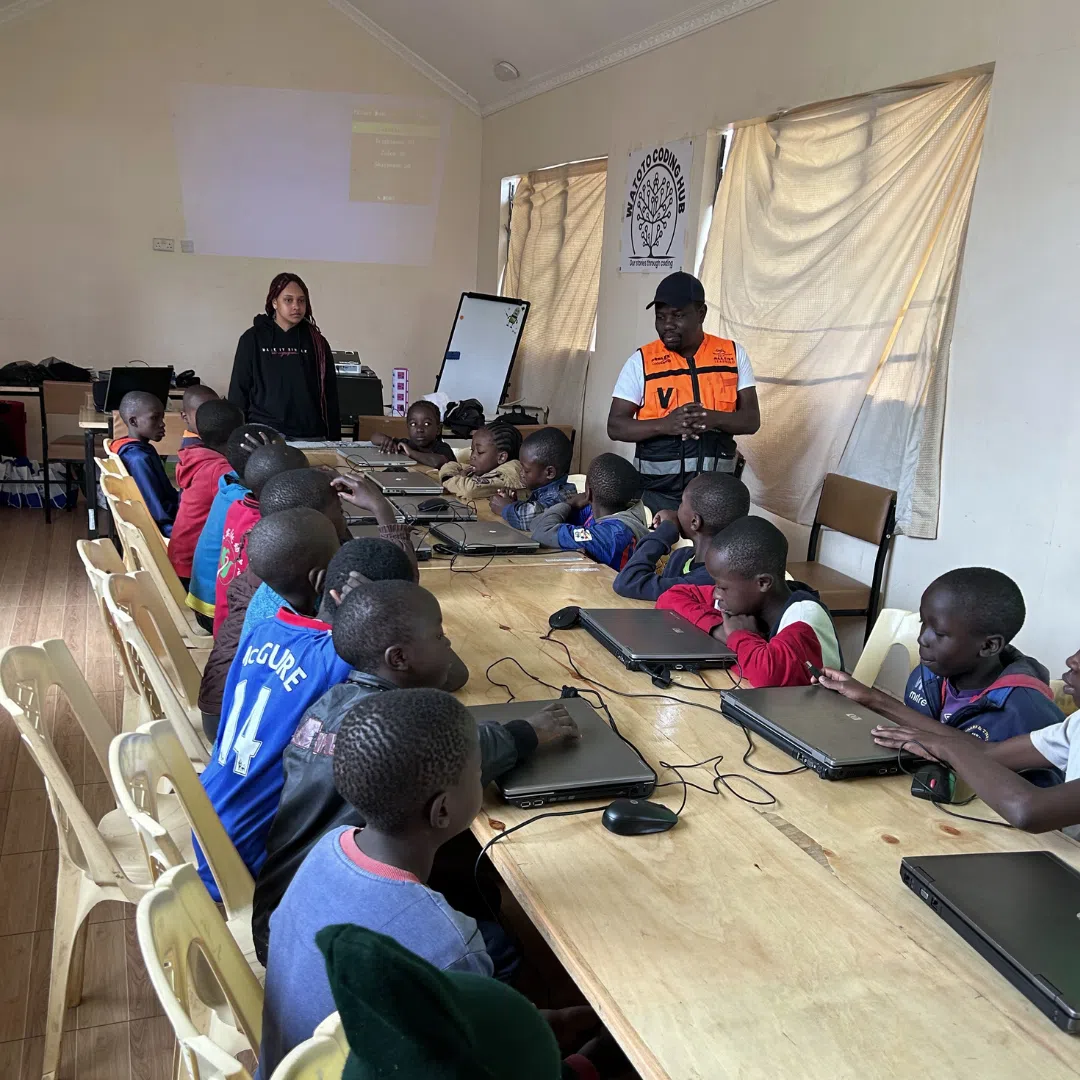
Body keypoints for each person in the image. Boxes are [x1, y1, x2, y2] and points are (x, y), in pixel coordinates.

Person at [251, 578, 578, 964]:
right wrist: (528, 732)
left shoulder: (334, 700)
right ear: (399, 658)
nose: (449, 644)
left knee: (465, 866)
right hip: (314, 943)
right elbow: (465, 752)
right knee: (499, 949)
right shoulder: (403, 731)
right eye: (439, 636)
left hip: (286, 906)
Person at [257, 688, 491, 1076]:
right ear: (443, 809)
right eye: (479, 774)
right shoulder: (452, 946)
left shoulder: (326, 847)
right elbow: (471, 1062)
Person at [196, 509, 351, 896]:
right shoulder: (333, 656)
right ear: (321, 578)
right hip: (248, 862)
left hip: (208, 824)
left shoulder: (263, 627)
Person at [816, 567, 1064, 749]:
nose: (923, 638)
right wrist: (865, 700)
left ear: (989, 646)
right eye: (923, 623)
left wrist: (876, 700)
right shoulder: (928, 677)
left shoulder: (1026, 711)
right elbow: (915, 734)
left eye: (940, 633)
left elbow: (1042, 796)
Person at [870, 648, 1080, 836]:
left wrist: (948, 746)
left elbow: (1029, 811)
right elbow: (991, 752)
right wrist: (873, 700)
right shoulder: (1076, 725)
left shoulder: (1027, 706)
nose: (1072, 660)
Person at [607, 272, 760, 512]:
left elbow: (751, 420)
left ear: (701, 314)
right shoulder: (641, 361)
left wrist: (712, 418)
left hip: (716, 497)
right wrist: (665, 425)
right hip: (656, 496)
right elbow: (615, 426)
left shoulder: (733, 355)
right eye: (660, 317)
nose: (667, 324)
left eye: (677, 316)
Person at [658, 516, 841, 686]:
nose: (716, 595)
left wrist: (738, 635)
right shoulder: (743, 599)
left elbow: (767, 675)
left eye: (722, 587)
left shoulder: (804, 617)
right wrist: (719, 630)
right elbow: (669, 598)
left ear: (762, 583)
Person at [186, 423, 279, 630]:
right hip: (219, 614)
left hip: (205, 600)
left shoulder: (230, 488)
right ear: (265, 466)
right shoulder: (253, 510)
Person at [228, 272, 341, 440]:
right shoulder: (252, 339)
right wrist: (236, 436)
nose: (296, 306)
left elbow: (330, 395)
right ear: (274, 302)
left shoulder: (317, 342)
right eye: (288, 300)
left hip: (310, 435)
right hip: (263, 435)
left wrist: (334, 440)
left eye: (301, 301)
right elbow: (239, 391)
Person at [212, 441, 308, 634]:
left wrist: (267, 458)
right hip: (243, 638)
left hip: (225, 625)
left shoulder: (237, 507)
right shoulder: (272, 533)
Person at [613, 472, 750, 601]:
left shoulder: (708, 581)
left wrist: (665, 532)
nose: (676, 509)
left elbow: (628, 582)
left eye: (682, 503)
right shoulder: (681, 556)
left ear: (695, 522)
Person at [168, 399, 244, 587]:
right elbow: (247, 501)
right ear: (238, 434)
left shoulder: (197, 456)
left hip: (181, 557)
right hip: (192, 568)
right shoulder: (220, 470)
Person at [530, 453, 648, 571]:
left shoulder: (611, 534)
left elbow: (542, 533)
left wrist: (568, 504)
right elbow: (537, 524)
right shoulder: (595, 511)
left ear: (588, 492)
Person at [108, 391, 178, 535]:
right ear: (133, 421)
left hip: (161, 519)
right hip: (161, 529)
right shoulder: (138, 459)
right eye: (155, 418)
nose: (162, 424)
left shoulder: (133, 447)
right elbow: (160, 513)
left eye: (162, 418)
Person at [491, 427, 576, 531]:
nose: (521, 473)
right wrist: (514, 503)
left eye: (526, 470)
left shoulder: (560, 496)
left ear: (549, 472)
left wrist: (505, 508)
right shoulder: (543, 489)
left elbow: (531, 518)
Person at [439, 422, 526, 503]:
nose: (472, 456)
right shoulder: (486, 468)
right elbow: (454, 465)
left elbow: (469, 490)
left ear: (501, 457)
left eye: (480, 452)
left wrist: (450, 477)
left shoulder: (505, 478)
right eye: (472, 450)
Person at [372, 399, 455, 468]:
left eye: (427, 424)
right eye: (413, 424)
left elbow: (437, 462)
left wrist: (411, 453)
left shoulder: (442, 448)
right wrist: (385, 440)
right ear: (408, 428)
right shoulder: (406, 444)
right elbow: (374, 437)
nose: (419, 429)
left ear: (438, 429)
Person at [178, 383, 219, 450]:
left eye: (215, 412)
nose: (212, 418)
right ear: (185, 417)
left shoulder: (210, 438)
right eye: (203, 414)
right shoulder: (192, 449)